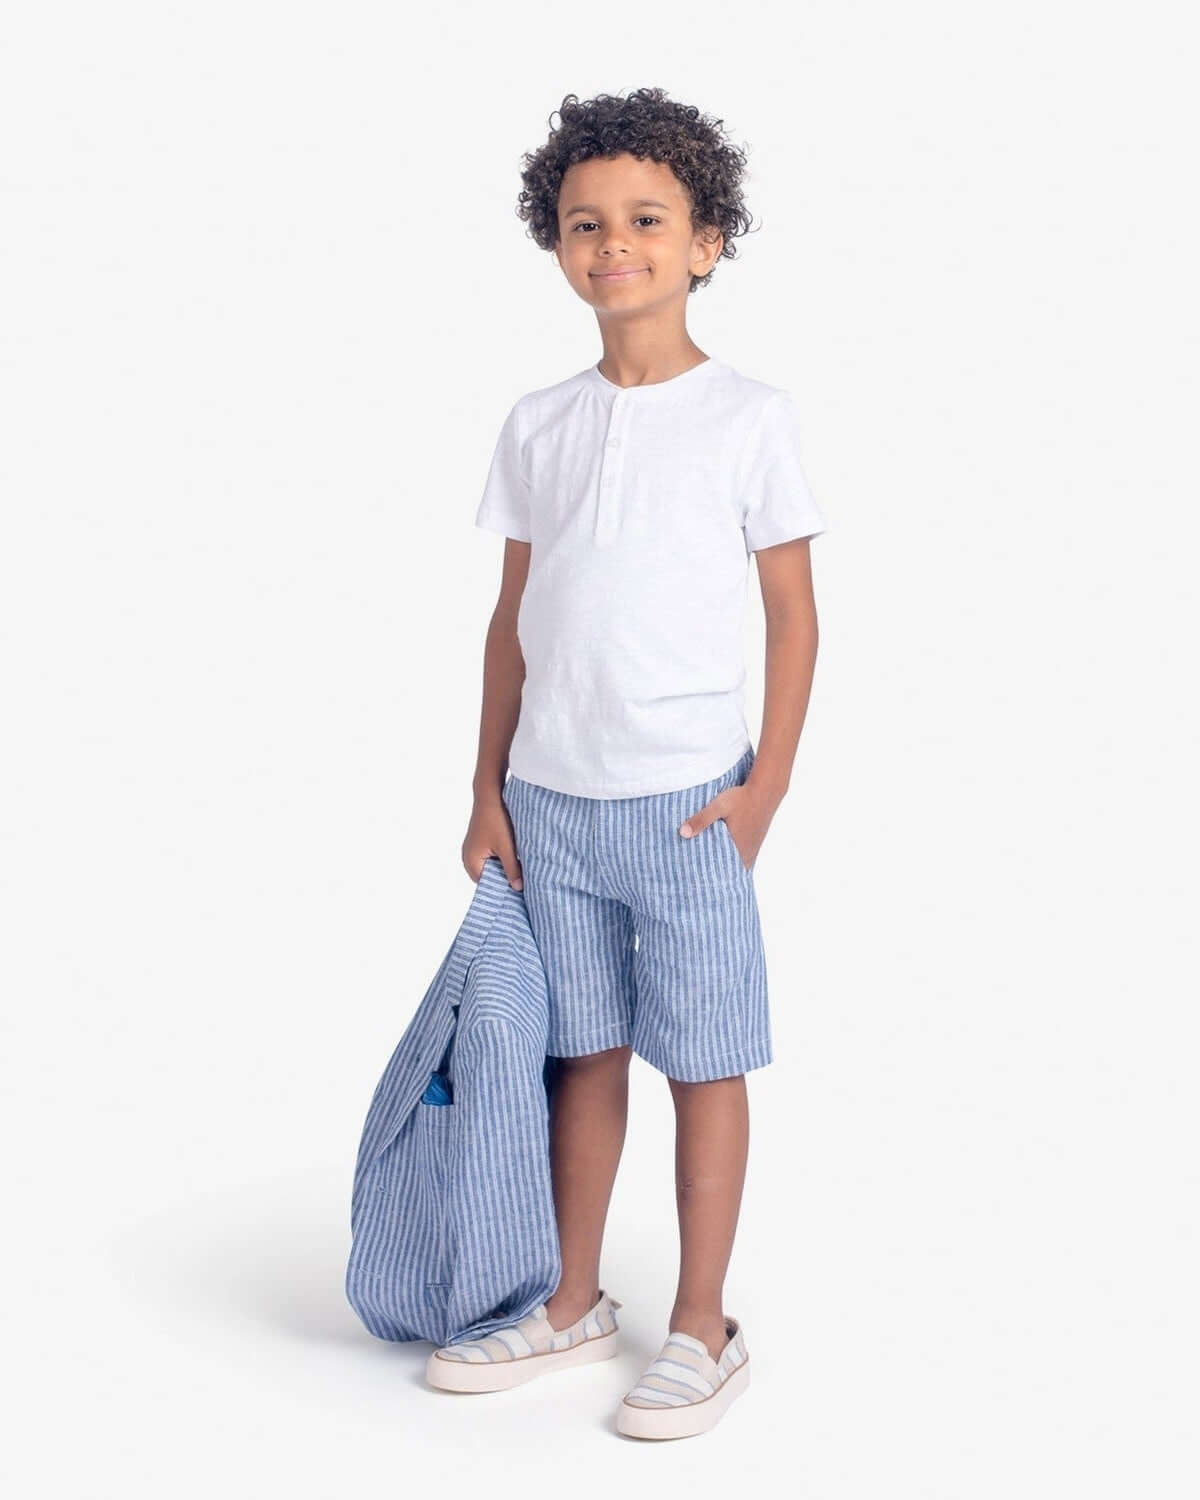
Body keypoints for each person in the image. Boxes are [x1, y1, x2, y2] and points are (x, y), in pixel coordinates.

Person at [456, 86, 825, 1439]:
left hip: (688, 811)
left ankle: (703, 1321)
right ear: (557, 244)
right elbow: (514, 621)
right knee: (582, 1056)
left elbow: (793, 612)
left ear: (707, 241)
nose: (616, 245)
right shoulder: (539, 423)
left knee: (705, 1059)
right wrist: (487, 789)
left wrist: (764, 786)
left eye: (649, 221)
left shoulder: (748, 416)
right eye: (585, 223)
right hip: (552, 803)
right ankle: (571, 1298)